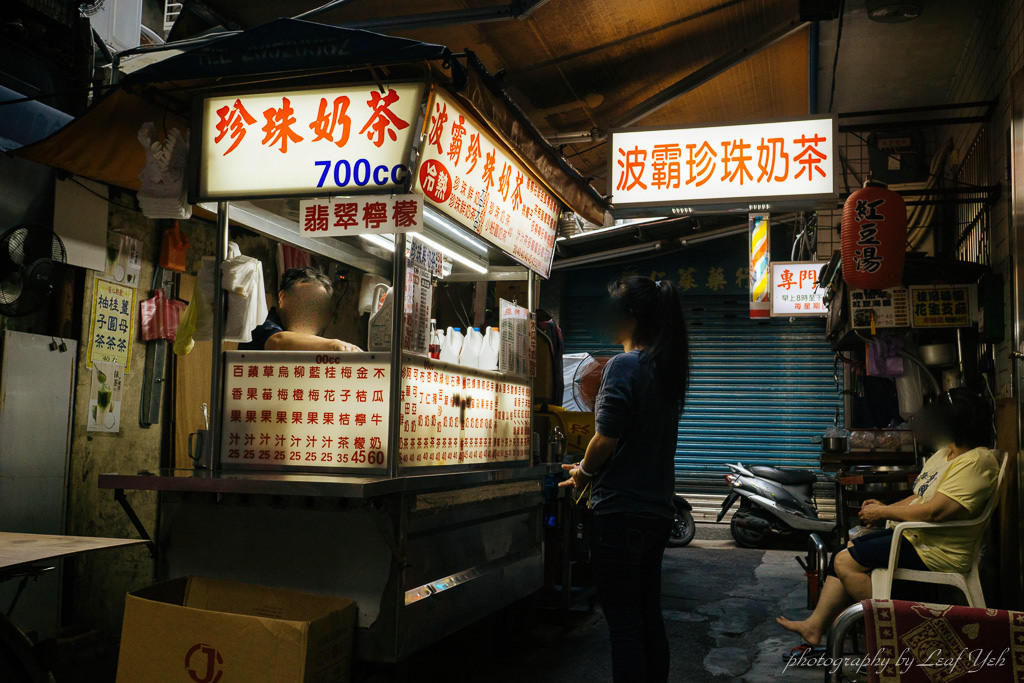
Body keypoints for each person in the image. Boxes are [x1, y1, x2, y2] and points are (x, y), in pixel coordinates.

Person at [777, 388, 1000, 647]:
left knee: (846, 563)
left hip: (937, 550)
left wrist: (884, 512)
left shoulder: (976, 462)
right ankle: (815, 627)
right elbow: (920, 497)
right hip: (917, 537)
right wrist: (886, 506)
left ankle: (899, 632)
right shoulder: (946, 452)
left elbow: (935, 511)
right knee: (844, 550)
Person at [559, 276, 690, 683]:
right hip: (655, 511)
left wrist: (582, 472)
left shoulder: (624, 365)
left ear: (631, 317)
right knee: (649, 617)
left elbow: (605, 439)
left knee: (625, 627)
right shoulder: (667, 368)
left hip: (619, 513)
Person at [240, 266, 362, 352]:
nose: (312, 313)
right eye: (308, 302)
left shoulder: (304, 343)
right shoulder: (261, 324)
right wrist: (334, 345)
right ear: (283, 297)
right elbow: (278, 341)